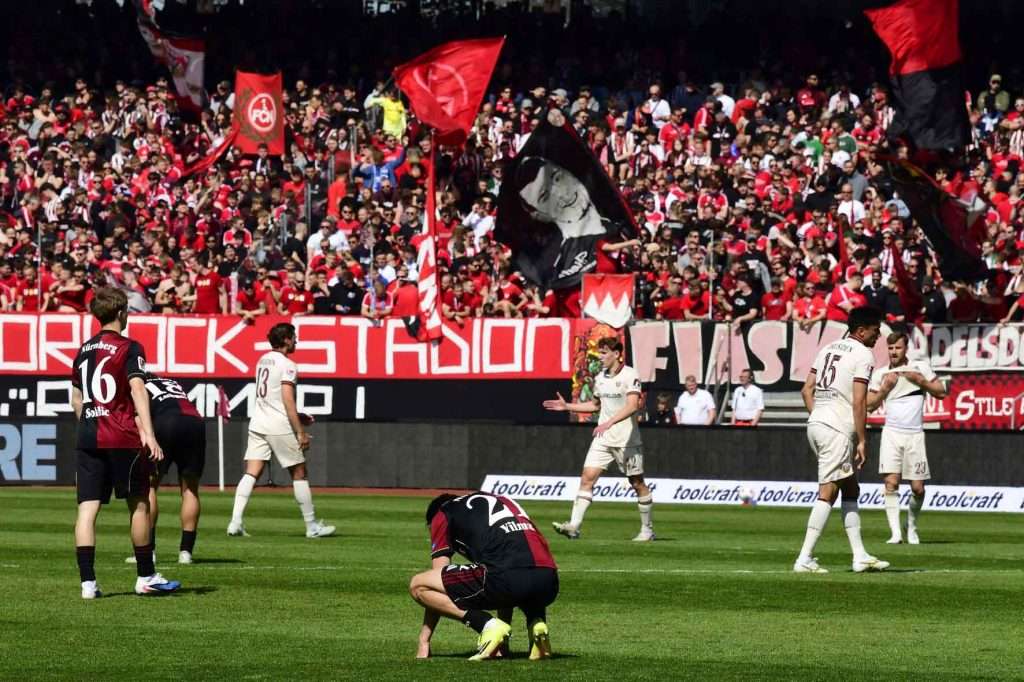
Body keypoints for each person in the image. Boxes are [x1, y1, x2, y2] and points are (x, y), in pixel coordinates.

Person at [71, 287, 180, 598]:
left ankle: (88, 584)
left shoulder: (83, 351)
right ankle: (146, 576)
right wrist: (148, 432)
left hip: (88, 436)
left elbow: (76, 400)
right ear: (121, 313)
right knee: (139, 504)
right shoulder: (130, 347)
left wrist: (89, 423)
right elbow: (138, 389)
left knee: (87, 511)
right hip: (120, 436)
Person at [794, 306, 890, 574]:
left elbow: (806, 390)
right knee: (828, 491)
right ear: (861, 331)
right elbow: (859, 401)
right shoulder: (863, 354)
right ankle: (804, 557)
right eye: (875, 330)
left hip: (817, 423)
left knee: (851, 489)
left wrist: (822, 416)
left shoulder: (827, 348)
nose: (878, 335)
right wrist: (863, 439)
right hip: (836, 428)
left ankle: (859, 556)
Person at [409, 492, 559, 661]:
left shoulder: (442, 513)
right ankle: (536, 623)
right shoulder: (502, 501)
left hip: (506, 578)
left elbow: (437, 577)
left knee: (419, 585)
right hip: (549, 582)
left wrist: (424, 639)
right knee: (515, 570)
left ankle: (486, 624)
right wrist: (504, 642)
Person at [227, 323, 336, 538]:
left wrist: (298, 414)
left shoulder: (262, 360)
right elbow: (286, 399)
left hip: (258, 422)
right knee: (299, 472)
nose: (296, 341)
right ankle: (311, 526)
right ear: (286, 339)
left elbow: (273, 396)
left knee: (252, 472)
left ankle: (235, 522)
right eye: (294, 337)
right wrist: (300, 431)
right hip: (278, 424)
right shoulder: (288, 364)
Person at [542, 337, 654, 541]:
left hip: (626, 440)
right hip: (603, 439)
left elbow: (632, 405)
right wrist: (568, 406)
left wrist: (609, 422)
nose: (600, 357)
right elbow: (595, 405)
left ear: (617, 354)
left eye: (604, 353)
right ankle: (574, 526)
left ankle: (647, 530)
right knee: (587, 478)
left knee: (637, 483)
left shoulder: (630, 375)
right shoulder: (600, 377)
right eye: (600, 352)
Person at [867, 331, 947, 544]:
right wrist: (885, 388)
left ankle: (911, 525)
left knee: (917, 488)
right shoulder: (881, 374)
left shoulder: (919, 368)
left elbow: (941, 392)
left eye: (898, 348)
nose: (894, 352)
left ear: (906, 349)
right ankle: (895, 533)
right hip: (891, 433)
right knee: (891, 483)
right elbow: (870, 405)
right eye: (890, 348)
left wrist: (921, 381)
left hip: (914, 434)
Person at [124, 372, 205, 565]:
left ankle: (148, 551)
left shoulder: (136, 385)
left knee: (149, 486)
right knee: (190, 489)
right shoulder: (170, 381)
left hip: (165, 423)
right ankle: (186, 553)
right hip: (195, 422)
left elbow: (138, 418)